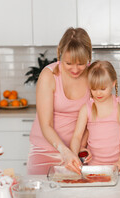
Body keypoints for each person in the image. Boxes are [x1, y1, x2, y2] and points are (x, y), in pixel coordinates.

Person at [27, 27, 93, 175]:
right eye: (68, 63)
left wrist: (80, 147)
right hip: (45, 152)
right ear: (60, 53)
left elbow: (92, 117)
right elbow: (46, 125)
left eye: (81, 63)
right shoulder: (49, 76)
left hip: (76, 153)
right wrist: (65, 152)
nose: (75, 70)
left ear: (89, 56)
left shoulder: (92, 75)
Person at [70, 60, 120, 172]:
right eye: (94, 89)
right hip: (93, 167)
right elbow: (77, 136)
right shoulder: (86, 108)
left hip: (117, 166)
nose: (98, 93)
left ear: (113, 83)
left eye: (102, 89)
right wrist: (75, 153)